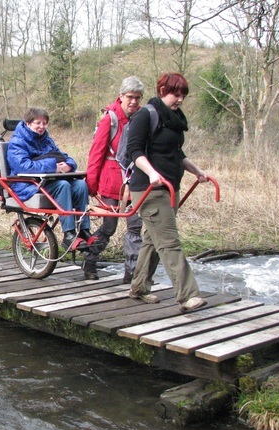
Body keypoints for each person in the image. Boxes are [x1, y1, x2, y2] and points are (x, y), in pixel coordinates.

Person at [125, 73, 209, 313]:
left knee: (153, 240)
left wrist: (197, 171)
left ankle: (139, 287)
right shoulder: (146, 115)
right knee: (169, 242)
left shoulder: (173, 119)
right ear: (162, 90)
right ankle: (188, 295)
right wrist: (151, 173)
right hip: (149, 189)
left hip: (170, 187)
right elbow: (134, 151)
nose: (180, 99)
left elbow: (176, 153)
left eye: (183, 95)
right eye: (176, 94)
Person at [84, 76, 145, 282]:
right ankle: (90, 260)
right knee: (109, 226)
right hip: (111, 183)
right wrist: (91, 185)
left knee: (134, 227)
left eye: (138, 98)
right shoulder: (109, 120)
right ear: (121, 96)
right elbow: (96, 154)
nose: (134, 102)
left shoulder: (141, 119)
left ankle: (132, 273)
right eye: (130, 97)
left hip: (135, 184)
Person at [6, 107, 91, 250]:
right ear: (28, 123)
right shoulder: (17, 142)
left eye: (44, 123)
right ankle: (69, 234)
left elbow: (62, 156)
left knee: (80, 185)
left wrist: (68, 166)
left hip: (46, 182)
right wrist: (53, 166)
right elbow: (24, 166)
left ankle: (84, 230)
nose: (42, 126)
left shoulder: (46, 139)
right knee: (63, 185)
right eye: (38, 123)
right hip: (26, 185)